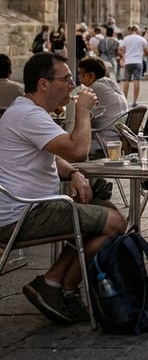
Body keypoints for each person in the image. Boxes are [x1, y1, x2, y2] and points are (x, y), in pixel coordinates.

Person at [0, 53, 126, 323]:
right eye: (66, 78)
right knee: (114, 223)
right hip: (24, 214)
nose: (72, 84)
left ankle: (58, 286)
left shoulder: (28, 112)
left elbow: (54, 156)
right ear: (43, 84)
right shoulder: (27, 114)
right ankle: (57, 284)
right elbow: (78, 150)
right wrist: (82, 111)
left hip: (33, 207)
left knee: (104, 211)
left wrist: (74, 173)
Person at [76, 58, 129, 154]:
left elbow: (84, 113)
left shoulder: (95, 88)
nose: (79, 77)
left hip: (104, 138)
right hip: (119, 134)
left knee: (72, 145)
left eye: (81, 74)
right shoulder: (109, 84)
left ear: (91, 75)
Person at [118, 24, 148, 106]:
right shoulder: (142, 39)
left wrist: (124, 57)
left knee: (126, 80)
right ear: (137, 30)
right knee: (136, 80)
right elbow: (146, 51)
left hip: (128, 61)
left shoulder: (126, 39)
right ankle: (135, 101)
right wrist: (143, 54)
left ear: (131, 30)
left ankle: (125, 100)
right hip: (138, 61)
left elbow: (121, 50)